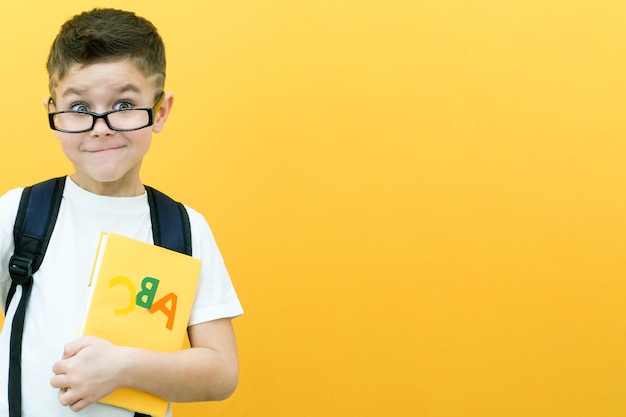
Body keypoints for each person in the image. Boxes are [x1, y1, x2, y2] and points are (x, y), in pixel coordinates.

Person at [0, 8, 243, 417]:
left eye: (124, 103)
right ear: (52, 114)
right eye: (79, 108)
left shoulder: (183, 229)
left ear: (160, 111)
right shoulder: (20, 212)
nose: (101, 126)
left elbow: (221, 371)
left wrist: (123, 367)